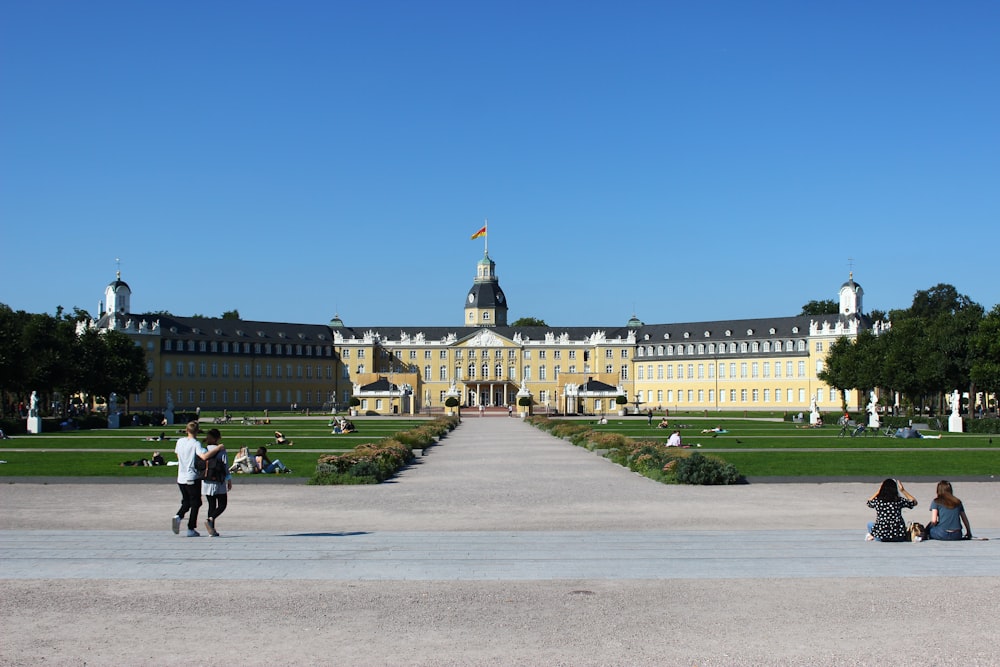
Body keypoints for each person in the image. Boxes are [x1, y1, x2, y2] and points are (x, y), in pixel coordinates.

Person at [172, 421, 224, 537]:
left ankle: (178, 516)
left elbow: (177, 455)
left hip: (181, 477)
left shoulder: (180, 441)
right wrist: (218, 448)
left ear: (186, 430)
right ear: (197, 431)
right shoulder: (196, 444)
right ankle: (190, 528)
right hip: (192, 477)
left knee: (186, 501)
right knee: (196, 503)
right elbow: (204, 456)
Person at [202, 428, 231, 537]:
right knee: (222, 504)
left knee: (211, 505)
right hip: (219, 480)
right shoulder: (221, 449)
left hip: (207, 480)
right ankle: (211, 519)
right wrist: (229, 479)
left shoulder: (204, 449)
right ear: (217, 438)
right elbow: (225, 465)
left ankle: (212, 529)